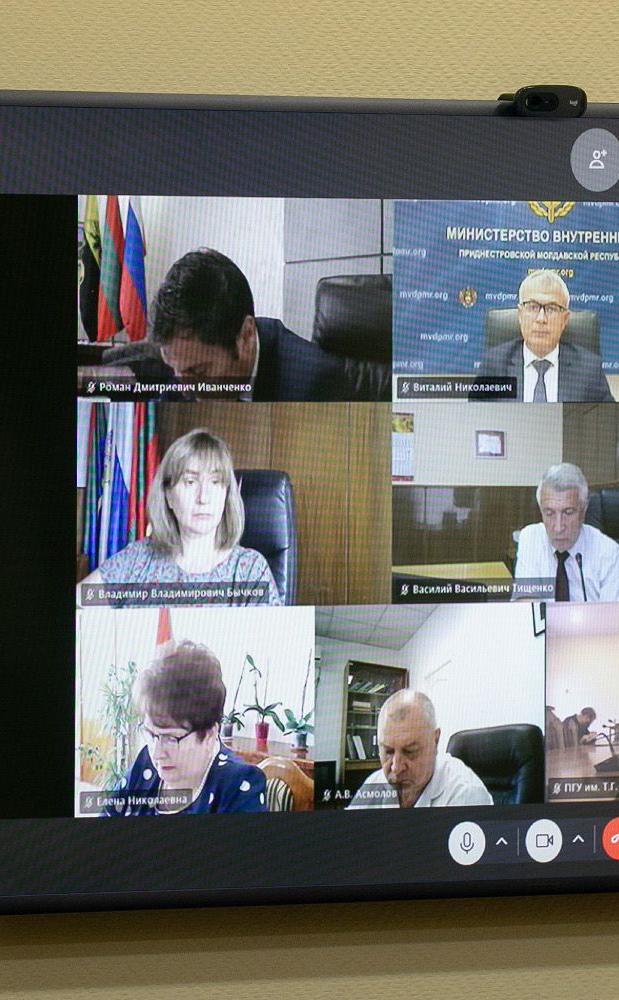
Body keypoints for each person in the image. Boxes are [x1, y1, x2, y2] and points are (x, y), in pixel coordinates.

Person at [107, 248, 381, 401]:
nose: (186, 389)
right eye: (176, 371)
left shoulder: (311, 388)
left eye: (200, 372)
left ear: (246, 336)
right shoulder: (181, 364)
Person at [80, 428, 282, 605]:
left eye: (215, 482)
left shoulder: (250, 570)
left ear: (226, 494)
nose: (203, 498)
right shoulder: (136, 560)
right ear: (168, 495)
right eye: (190, 482)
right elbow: (80, 605)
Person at [101, 640, 267, 815]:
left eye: (171, 738)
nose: (157, 753)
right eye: (150, 734)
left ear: (209, 735)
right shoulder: (145, 764)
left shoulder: (239, 786)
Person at [476, 271, 614, 402]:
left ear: (565, 319)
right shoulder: (495, 364)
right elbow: (476, 414)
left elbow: (607, 417)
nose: (541, 319)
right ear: (520, 314)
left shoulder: (589, 369)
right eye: (532, 307)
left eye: (551, 309)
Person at [347, 690, 492, 809]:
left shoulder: (467, 795)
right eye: (388, 752)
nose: (396, 768)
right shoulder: (375, 783)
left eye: (410, 751)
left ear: (435, 741)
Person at [513, 463, 619, 602]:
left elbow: (615, 614)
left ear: (583, 510)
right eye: (549, 513)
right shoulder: (531, 538)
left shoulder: (610, 554)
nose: (558, 527)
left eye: (568, 513)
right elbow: (526, 603)